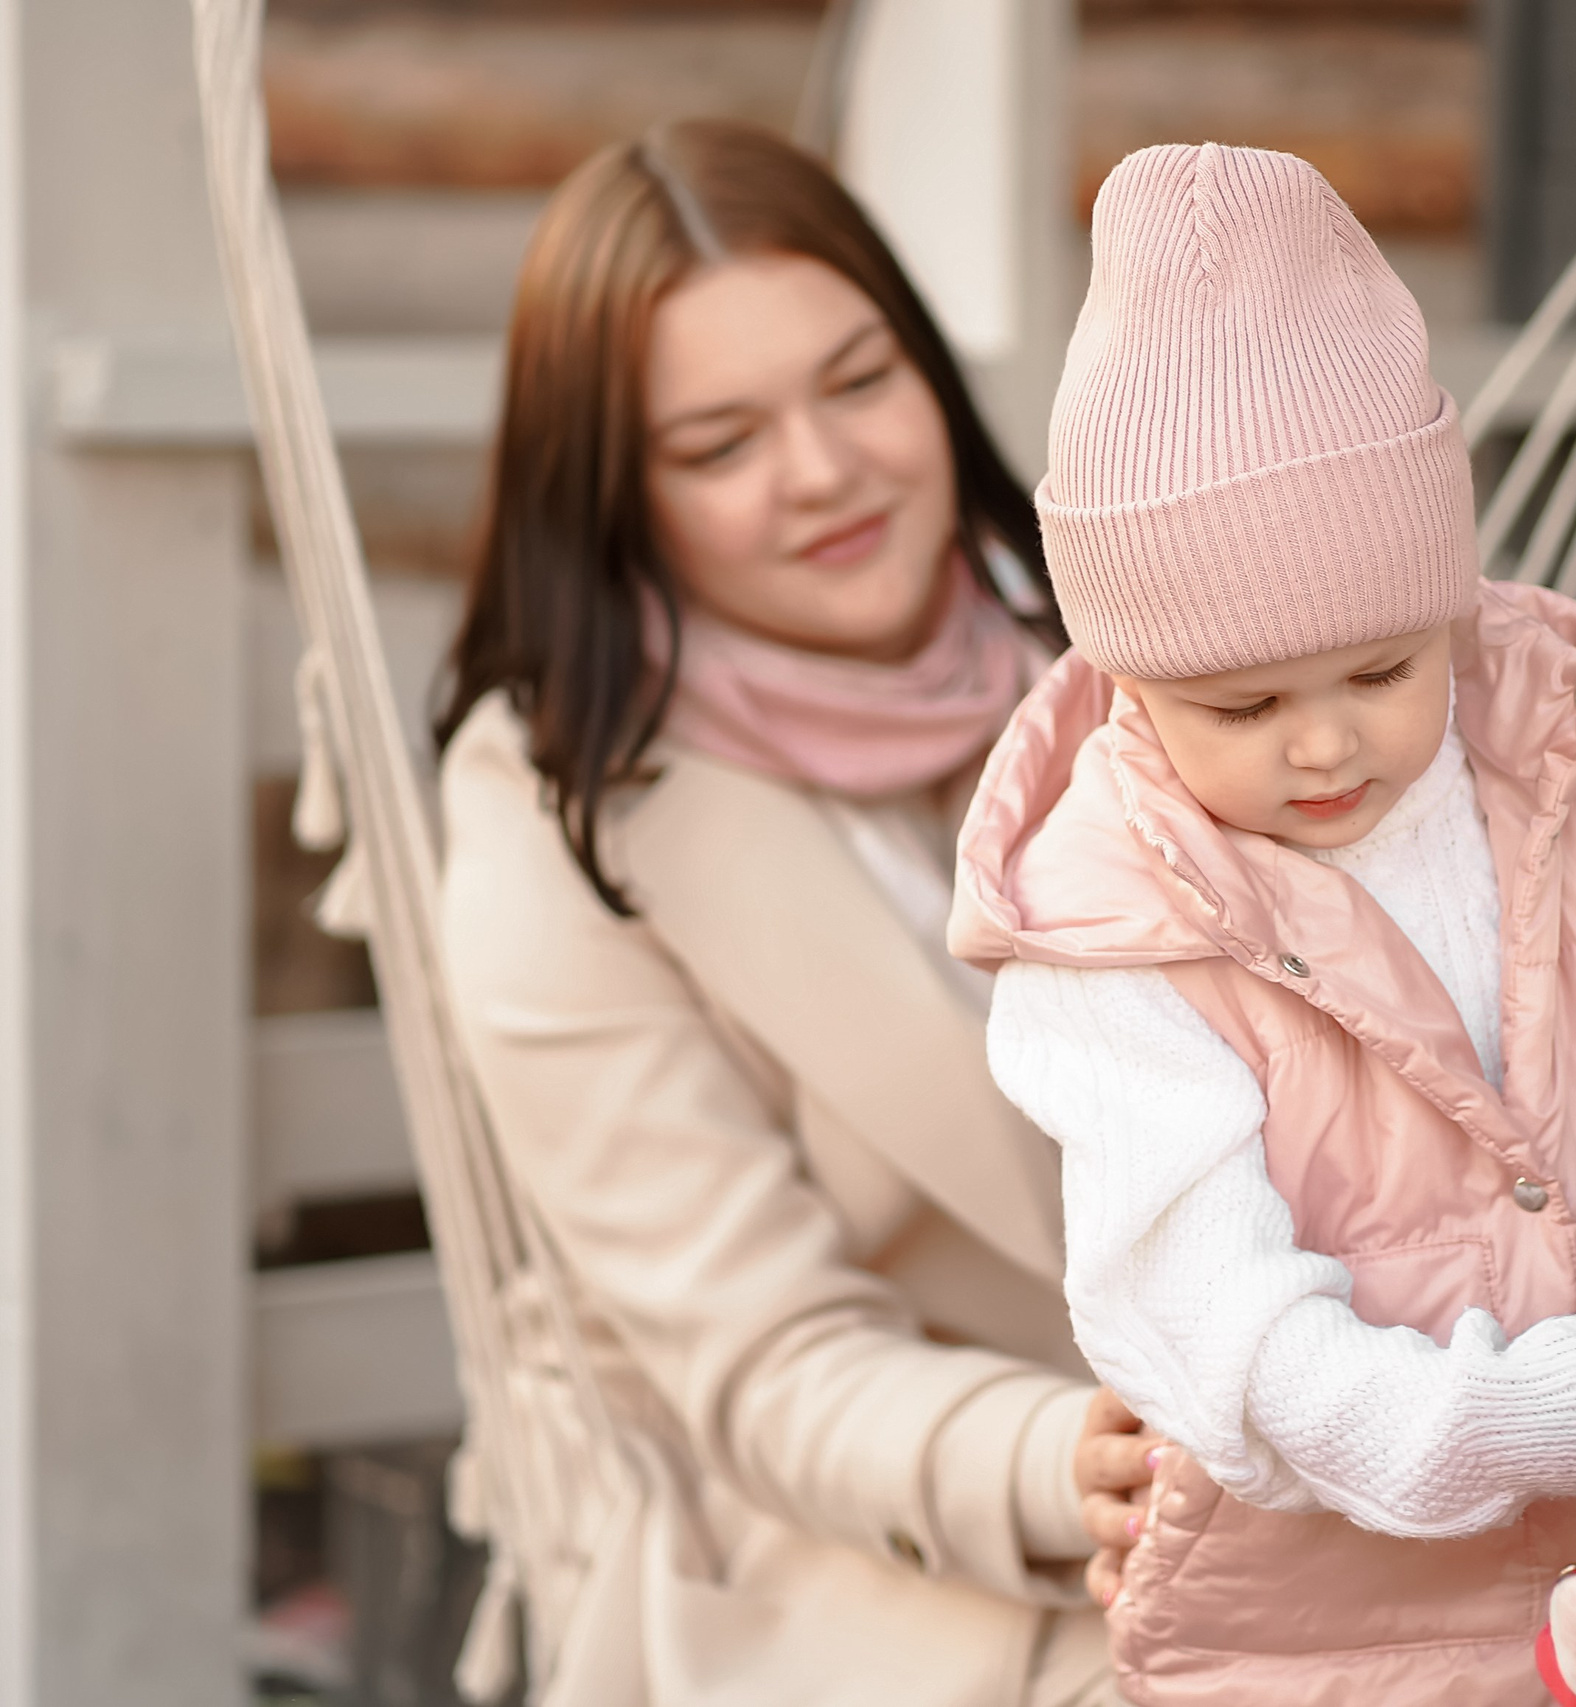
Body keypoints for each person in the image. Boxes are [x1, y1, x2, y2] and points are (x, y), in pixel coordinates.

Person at [949, 144, 1576, 1706]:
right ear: (1125, 678)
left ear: (1452, 601)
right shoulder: (1117, 935)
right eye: (1246, 704)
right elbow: (1237, 1340)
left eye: (1382, 671)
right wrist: (1566, 1408)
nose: (1327, 745)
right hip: (1319, 1634)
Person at [434, 120, 1142, 1706]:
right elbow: (768, 1367)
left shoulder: (1110, 640)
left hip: (1276, 1414)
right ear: (616, 496)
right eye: (717, 445)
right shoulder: (555, 807)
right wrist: (1072, 1461)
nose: (824, 472)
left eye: (858, 381)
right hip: (854, 1541)